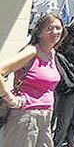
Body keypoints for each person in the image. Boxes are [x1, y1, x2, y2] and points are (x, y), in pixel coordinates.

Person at [0, 13, 64, 147]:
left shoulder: (52, 53)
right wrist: (10, 98)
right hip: (26, 115)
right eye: (50, 28)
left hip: (46, 115)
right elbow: (2, 70)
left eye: (58, 28)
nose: (55, 32)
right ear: (39, 33)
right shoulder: (31, 51)